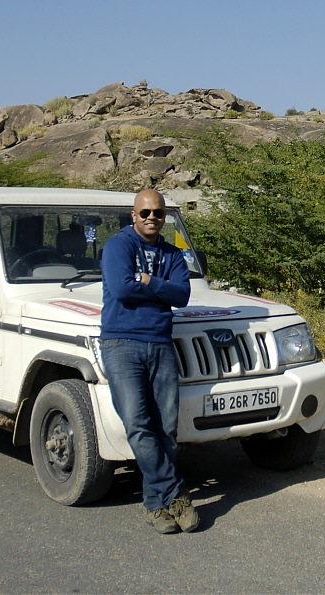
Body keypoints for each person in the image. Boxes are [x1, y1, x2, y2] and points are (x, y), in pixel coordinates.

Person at [100, 189, 199, 534]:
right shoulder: (118, 246)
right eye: (145, 213)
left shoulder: (172, 252)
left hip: (160, 343)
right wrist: (161, 287)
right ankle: (175, 494)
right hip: (121, 343)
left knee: (167, 428)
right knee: (138, 424)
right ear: (133, 215)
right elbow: (122, 288)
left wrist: (148, 280)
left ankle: (156, 504)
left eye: (158, 213)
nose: (152, 218)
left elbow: (183, 295)